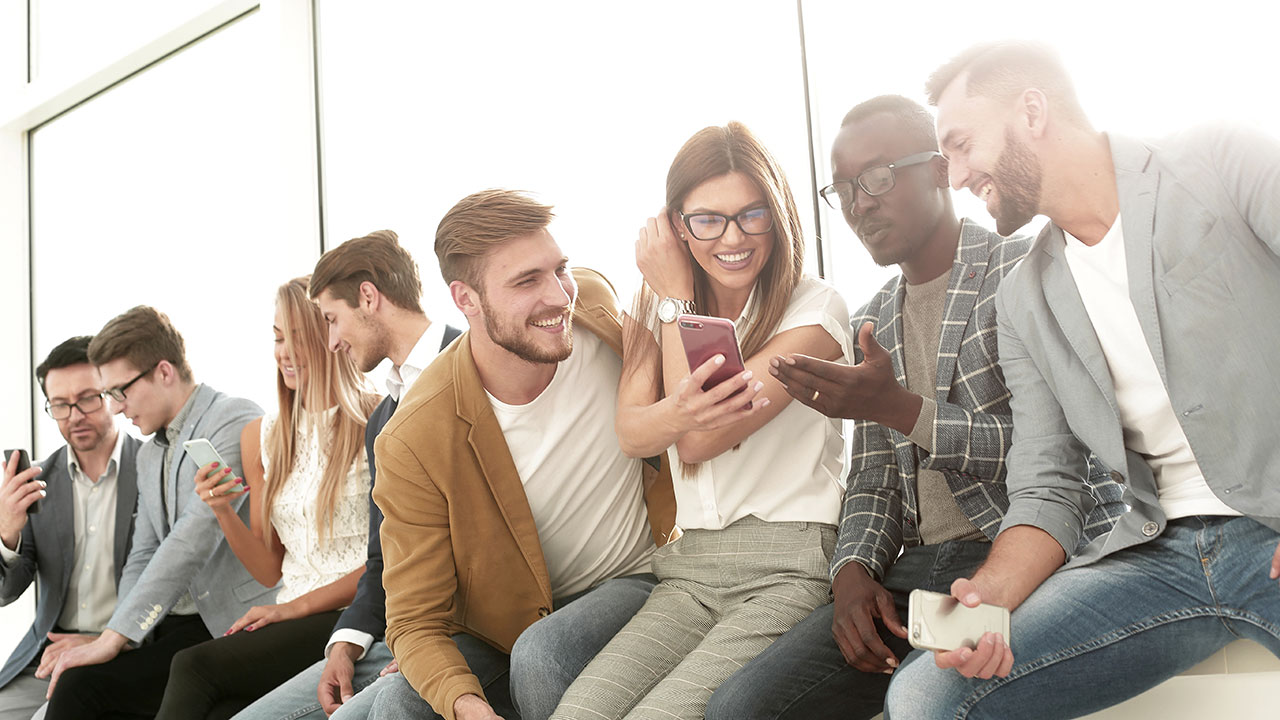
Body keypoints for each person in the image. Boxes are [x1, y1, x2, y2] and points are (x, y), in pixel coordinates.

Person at [885, 41, 1280, 718]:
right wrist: (989, 597)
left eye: (960, 145)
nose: (952, 177)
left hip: (1269, 529)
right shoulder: (1023, 299)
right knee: (925, 695)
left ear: (1032, 111)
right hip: (1160, 557)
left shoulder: (1219, 161)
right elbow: (1047, 486)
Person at [701, 96, 1124, 720]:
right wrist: (850, 572)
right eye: (843, 189)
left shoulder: (1028, 271)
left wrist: (905, 410)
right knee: (740, 706)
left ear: (938, 169)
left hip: (1015, 557)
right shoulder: (874, 317)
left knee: (920, 697)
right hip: (913, 573)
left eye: (876, 177)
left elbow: (1070, 457)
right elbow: (874, 481)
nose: (859, 203)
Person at [551, 121, 854, 720]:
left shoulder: (815, 310)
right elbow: (632, 434)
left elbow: (698, 440)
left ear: (779, 215)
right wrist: (667, 304)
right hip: (690, 569)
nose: (732, 237)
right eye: (707, 219)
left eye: (751, 215)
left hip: (789, 564)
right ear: (675, 226)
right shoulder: (654, 308)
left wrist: (674, 303)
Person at [368, 189, 677, 720]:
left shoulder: (595, 309)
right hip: (505, 627)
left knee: (545, 654)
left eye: (559, 270)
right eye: (526, 282)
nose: (558, 296)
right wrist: (466, 705)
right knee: (395, 707)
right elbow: (414, 619)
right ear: (465, 299)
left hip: (635, 579)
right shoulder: (413, 437)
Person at [233, 230, 461, 720]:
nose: (331, 340)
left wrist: (426, 641)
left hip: (453, 632)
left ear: (368, 297)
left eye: (331, 320)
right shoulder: (383, 421)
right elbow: (384, 554)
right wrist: (345, 645)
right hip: (394, 633)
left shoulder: (472, 363)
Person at [147, 276, 379, 719]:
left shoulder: (377, 417)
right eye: (277, 338)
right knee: (220, 709)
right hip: (291, 612)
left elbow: (386, 559)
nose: (284, 353)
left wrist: (292, 609)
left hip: (353, 615)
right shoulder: (262, 436)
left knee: (192, 665)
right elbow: (268, 565)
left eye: (297, 337)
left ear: (331, 337)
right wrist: (221, 508)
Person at [41, 306, 272, 719]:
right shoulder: (149, 456)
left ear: (164, 372)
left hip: (232, 624)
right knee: (80, 682)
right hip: (172, 626)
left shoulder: (233, 418)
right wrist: (118, 635)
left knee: (84, 690)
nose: (114, 408)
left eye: (120, 391)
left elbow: (193, 538)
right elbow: (144, 553)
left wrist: (112, 638)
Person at [0, 337, 142, 720]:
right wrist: (7, 533)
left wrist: (111, 640)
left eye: (87, 398)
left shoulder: (151, 470)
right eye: (60, 405)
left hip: (128, 651)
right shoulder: (38, 482)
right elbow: (4, 593)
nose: (74, 415)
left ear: (111, 393)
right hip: (47, 655)